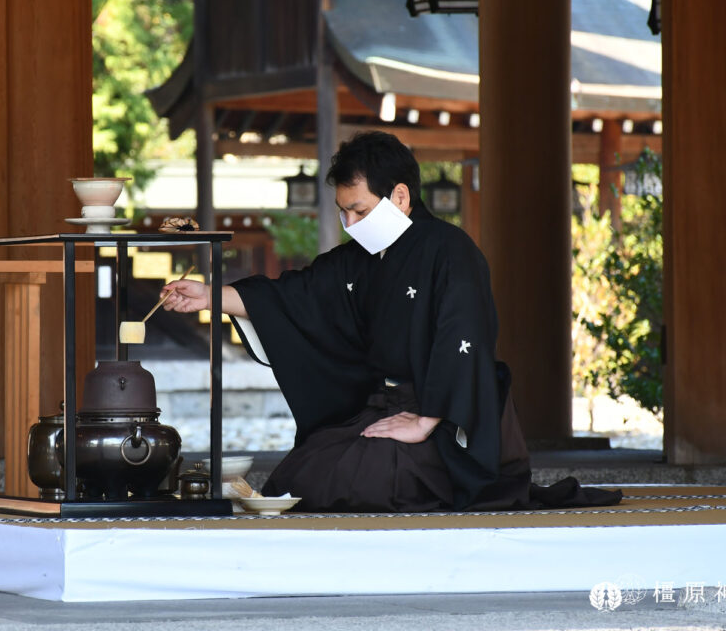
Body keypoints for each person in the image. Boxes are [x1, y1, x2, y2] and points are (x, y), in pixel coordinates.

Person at [162, 131, 620, 512]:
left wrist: (426, 419)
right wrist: (209, 296)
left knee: (360, 484)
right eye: (343, 211)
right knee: (299, 475)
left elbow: (464, 338)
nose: (348, 221)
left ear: (399, 196)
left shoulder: (450, 251)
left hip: (452, 419)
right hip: (386, 407)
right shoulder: (358, 260)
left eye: (359, 210)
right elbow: (297, 295)